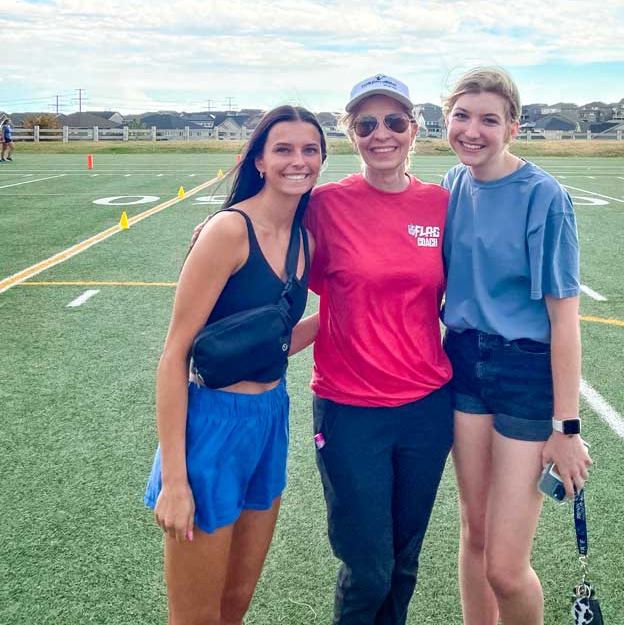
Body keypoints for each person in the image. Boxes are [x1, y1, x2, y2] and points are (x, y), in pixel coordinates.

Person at [144, 105, 326, 625]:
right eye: (284, 149)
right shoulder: (228, 231)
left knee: (235, 604)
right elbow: (174, 356)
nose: (299, 160)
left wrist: (349, 314)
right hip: (210, 428)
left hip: (269, 421)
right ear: (260, 161)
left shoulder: (304, 241)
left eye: (310, 150)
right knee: (195, 617)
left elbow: (269, 345)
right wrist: (176, 482)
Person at [440, 68, 592, 625]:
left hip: (523, 373)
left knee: (505, 565)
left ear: (513, 127)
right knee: (474, 532)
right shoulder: (451, 186)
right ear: (445, 120)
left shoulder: (544, 197)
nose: (472, 131)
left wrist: (566, 426)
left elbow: (565, 321)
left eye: (489, 119)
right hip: (460, 361)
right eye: (462, 116)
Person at [305, 74, 454, 625]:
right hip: (349, 411)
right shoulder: (326, 205)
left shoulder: (441, 204)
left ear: (415, 129)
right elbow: (274, 246)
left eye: (394, 122)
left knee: (403, 563)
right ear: (351, 133)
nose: (381, 134)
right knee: (367, 568)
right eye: (366, 124)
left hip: (426, 408)